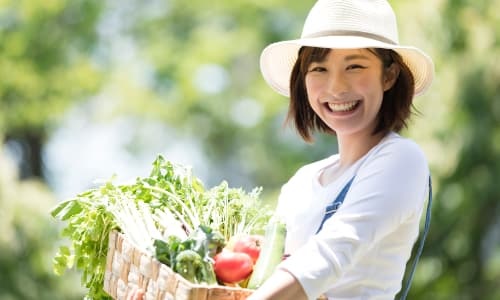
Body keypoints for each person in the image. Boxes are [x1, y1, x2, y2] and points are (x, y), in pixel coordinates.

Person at [128, 0, 434, 299]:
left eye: (354, 66)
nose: (337, 87)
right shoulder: (302, 182)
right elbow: (266, 280)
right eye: (319, 69)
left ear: (389, 75)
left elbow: (328, 256)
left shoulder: (400, 160)